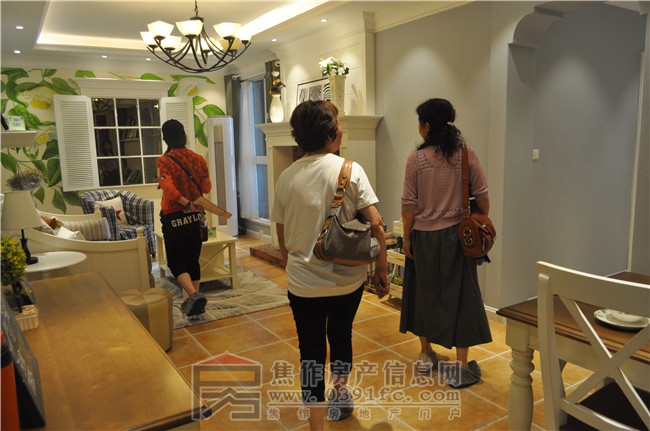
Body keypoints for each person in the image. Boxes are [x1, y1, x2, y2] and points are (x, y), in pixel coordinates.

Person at [271, 100, 390, 431]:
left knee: (310, 351)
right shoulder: (350, 170)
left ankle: (316, 426)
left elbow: (281, 233)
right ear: (329, 134)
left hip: (303, 284)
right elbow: (377, 224)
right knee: (340, 335)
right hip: (346, 281)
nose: (340, 129)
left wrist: (292, 264)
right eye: (337, 124)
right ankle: (340, 395)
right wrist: (381, 269)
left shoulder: (286, 177)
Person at [399, 98, 492, 388]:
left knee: (422, 293)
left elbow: (408, 205)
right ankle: (462, 366)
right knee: (462, 296)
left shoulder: (415, 160)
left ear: (426, 126)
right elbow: (483, 197)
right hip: (457, 238)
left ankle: (426, 354)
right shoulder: (466, 154)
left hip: (423, 236)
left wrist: (407, 238)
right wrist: (476, 216)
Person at [157, 119, 212, 316]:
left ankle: (194, 296)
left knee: (175, 262)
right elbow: (206, 187)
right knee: (192, 260)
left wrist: (185, 203)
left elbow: (169, 189)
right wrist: (192, 200)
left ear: (165, 139)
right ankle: (194, 302)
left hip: (174, 217)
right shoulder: (198, 159)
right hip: (196, 216)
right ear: (184, 135)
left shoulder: (164, 161)